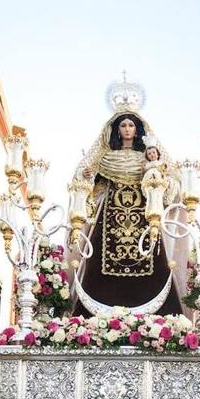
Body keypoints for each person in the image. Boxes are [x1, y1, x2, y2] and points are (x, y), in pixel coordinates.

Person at [73, 111, 182, 315]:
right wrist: (89, 175)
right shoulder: (106, 158)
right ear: (117, 130)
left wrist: (159, 177)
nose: (127, 130)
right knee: (98, 257)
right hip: (110, 217)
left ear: (137, 129)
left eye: (131, 126)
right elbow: (91, 188)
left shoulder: (148, 157)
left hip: (144, 214)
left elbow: (169, 183)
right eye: (123, 126)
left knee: (152, 254)